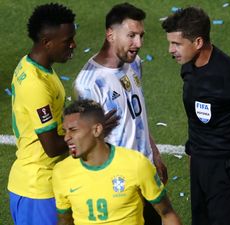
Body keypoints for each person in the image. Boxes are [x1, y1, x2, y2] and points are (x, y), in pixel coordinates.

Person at [162, 7, 230, 225]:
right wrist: (193, 156)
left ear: (198, 42)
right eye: (170, 43)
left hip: (227, 170)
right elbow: (195, 118)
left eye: (176, 44)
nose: (170, 50)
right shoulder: (188, 68)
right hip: (200, 165)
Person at [73, 3, 167, 224]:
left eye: (141, 36)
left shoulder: (134, 64)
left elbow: (138, 116)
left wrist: (154, 153)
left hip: (146, 173)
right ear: (110, 34)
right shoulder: (88, 84)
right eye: (132, 36)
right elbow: (84, 144)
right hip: (119, 185)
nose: (139, 44)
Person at [52, 99, 182, 225]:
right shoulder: (61, 172)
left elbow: (167, 214)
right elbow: (65, 221)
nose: (66, 137)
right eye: (65, 131)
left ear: (97, 130)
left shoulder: (136, 164)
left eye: (73, 130)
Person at [8, 3, 76, 225]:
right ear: (47, 42)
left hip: (44, 184)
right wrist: (88, 131)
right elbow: (52, 147)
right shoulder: (35, 85)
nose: (73, 45)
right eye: (67, 41)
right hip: (37, 190)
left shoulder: (36, 66)